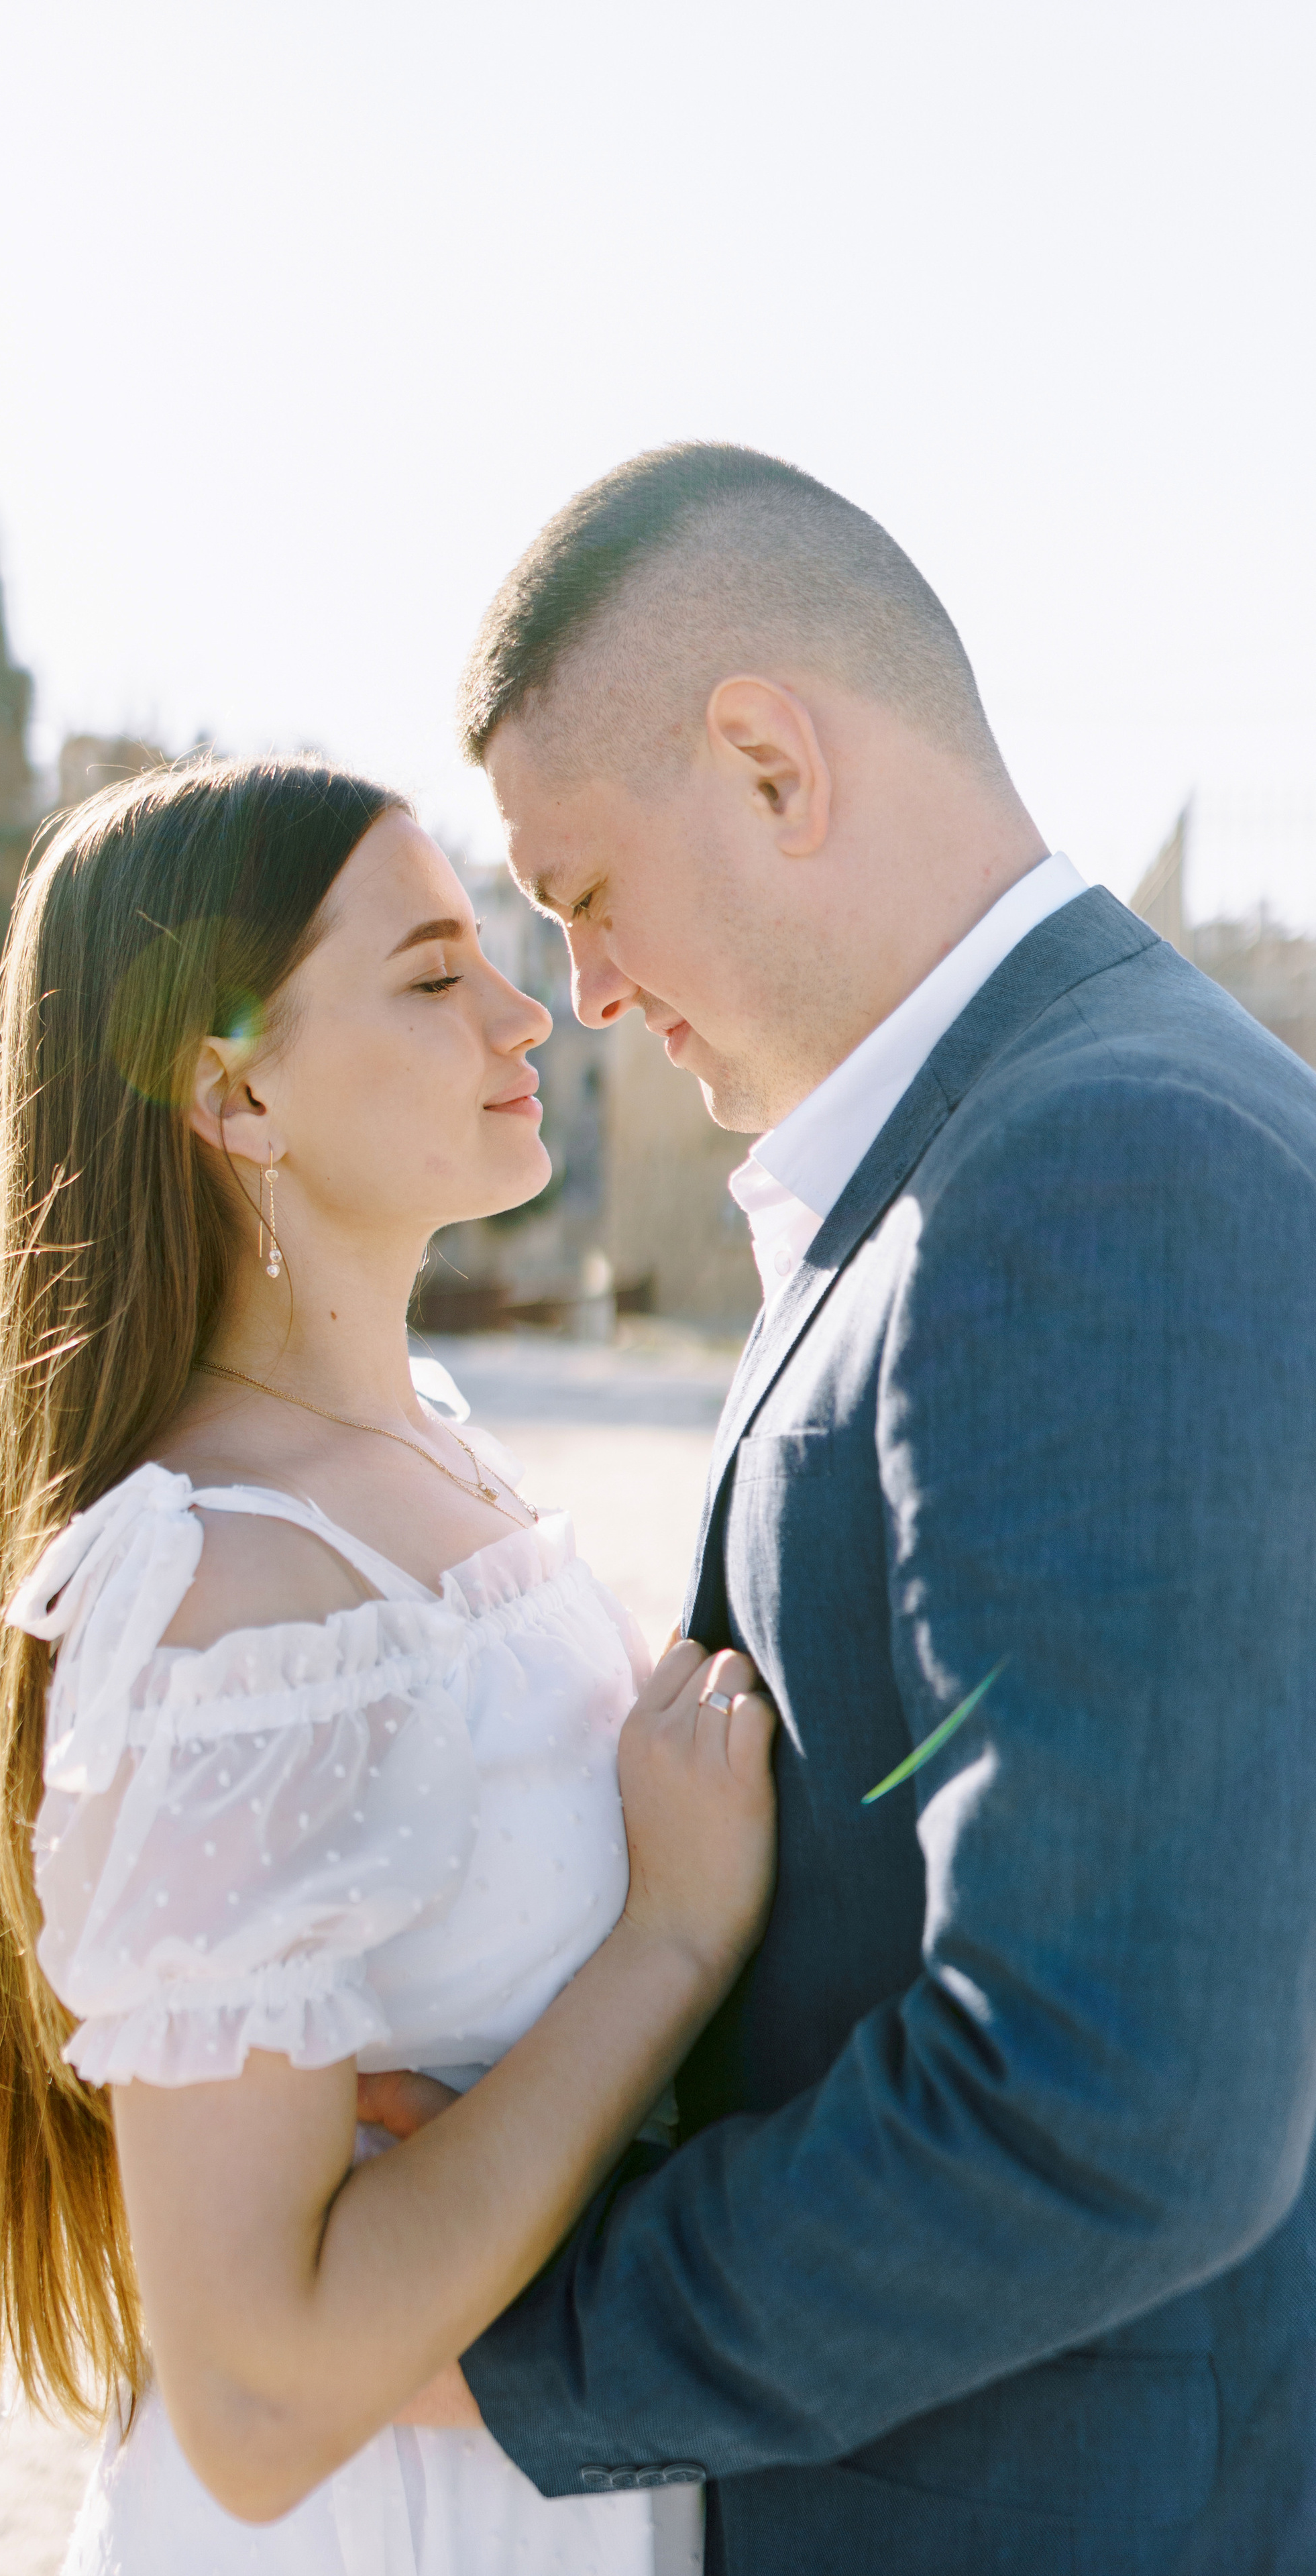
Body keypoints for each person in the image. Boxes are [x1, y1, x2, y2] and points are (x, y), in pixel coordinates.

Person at [375, 443, 1316, 2573]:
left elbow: (1111, 2102)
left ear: (770, 764)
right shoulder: (1023, 1137)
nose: (585, 990)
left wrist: (517, 2330)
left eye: (585, 891)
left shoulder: (1101, 1173)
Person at [0, 753, 779, 2576]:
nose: (523, 1006)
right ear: (236, 1091)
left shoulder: (433, 1448)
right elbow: (252, 2408)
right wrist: (668, 1948)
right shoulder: (235, 1590)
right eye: (429, 973)